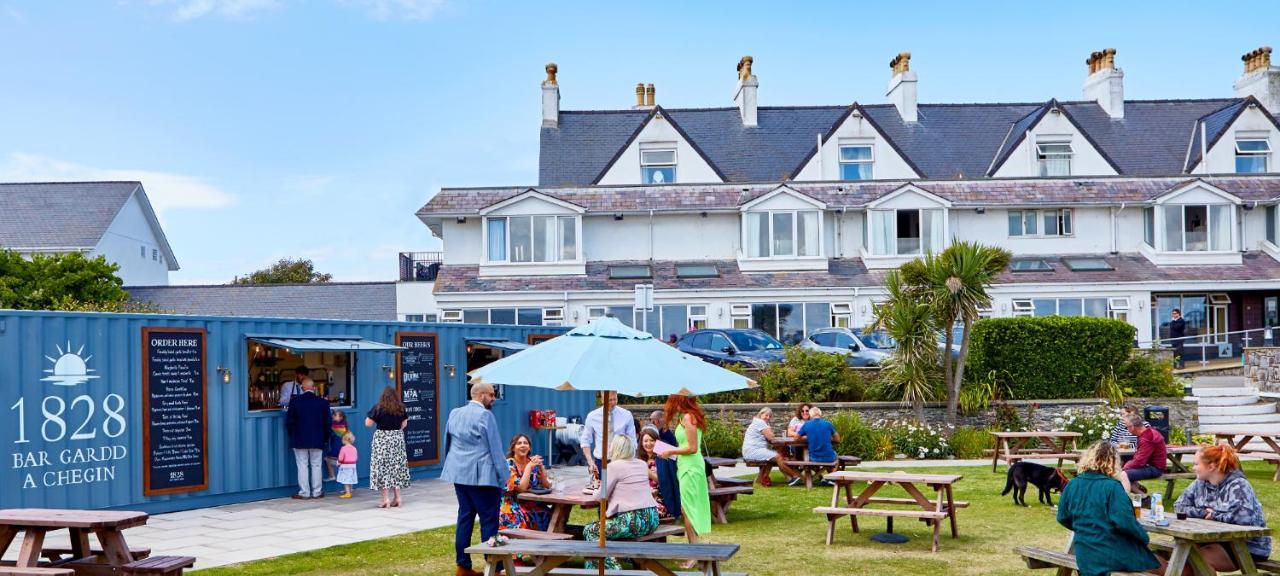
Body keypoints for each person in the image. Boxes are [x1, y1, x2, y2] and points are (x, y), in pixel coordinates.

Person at [1056, 441, 1159, 576]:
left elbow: (1063, 517)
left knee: (1161, 558)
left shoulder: (1072, 484)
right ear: (1113, 462)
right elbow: (1125, 522)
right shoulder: (1112, 487)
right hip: (1110, 552)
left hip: (1084, 551)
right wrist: (1144, 538)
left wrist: (1084, 529)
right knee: (1167, 567)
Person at [1168, 443, 1272, 572]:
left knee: (1190, 562)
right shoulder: (1199, 483)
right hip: (1212, 540)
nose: (1193, 468)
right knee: (1168, 557)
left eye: (1196, 464)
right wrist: (1203, 512)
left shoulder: (1238, 485)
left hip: (1247, 546)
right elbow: (1179, 506)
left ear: (1211, 466)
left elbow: (1242, 518)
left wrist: (1214, 515)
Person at [441, 382, 506, 576]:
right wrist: (504, 476)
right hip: (483, 477)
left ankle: (462, 567)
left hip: (459, 474)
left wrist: (451, 466)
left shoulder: (455, 413)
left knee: (465, 518)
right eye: (492, 395)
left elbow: (448, 443)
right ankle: (494, 567)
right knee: (489, 521)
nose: (494, 398)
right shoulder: (486, 415)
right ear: (481, 395)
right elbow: (495, 449)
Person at [583, 436, 662, 571]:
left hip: (632, 521)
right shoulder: (641, 464)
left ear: (615, 449)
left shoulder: (613, 466)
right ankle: (608, 563)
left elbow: (600, 496)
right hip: (652, 519)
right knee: (607, 529)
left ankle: (612, 569)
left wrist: (596, 487)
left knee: (591, 530)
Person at [657, 394, 711, 563]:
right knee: (687, 508)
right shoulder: (685, 417)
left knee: (688, 509)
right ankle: (695, 549)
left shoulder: (689, 417)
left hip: (691, 467)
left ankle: (694, 553)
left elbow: (693, 448)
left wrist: (670, 451)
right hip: (686, 465)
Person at [285, 377, 331, 499]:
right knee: (316, 465)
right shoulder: (323, 402)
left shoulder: (295, 402)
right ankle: (317, 492)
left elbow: (289, 422)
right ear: (314, 388)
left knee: (302, 465)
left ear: (302, 388)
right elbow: (328, 423)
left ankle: (304, 492)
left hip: (299, 438)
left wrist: (293, 434)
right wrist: (326, 438)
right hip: (318, 438)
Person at [579, 391, 636, 491]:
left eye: (615, 399)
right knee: (603, 494)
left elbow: (633, 441)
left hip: (621, 461)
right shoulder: (592, 416)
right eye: (610, 400)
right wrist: (591, 462)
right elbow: (585, 440)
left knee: (620, 493)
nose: (613, 402)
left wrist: (631, 461)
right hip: (601, 462)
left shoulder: (626, 415)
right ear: (602, 399)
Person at [365, 386, 411, 508]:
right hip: (397, 439)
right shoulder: (401, 408)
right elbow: (404, 424)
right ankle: (398, 498)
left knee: (383, 467)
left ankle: (386, 499)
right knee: (396, 468)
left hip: (382, 440)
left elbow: (368, 423)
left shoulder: (378, 407)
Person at [498, 434, 551, 531]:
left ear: (529, 447)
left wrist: (542, 469)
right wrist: (528, 467)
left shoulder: (531, 462)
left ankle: (547, 542)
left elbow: (546, 485)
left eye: (525, 443)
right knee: (522, 519)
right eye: (519, 443)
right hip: (511, 504)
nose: (523, 445)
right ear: (513, 448)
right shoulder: (508, 465)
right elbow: (521, 488)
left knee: (549, 514)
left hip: (531, 503)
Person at [740, 407, 799, 487]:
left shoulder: (759, 422)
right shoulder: (760, 422)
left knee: (775, 455)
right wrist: (770, 430)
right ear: (761, 414)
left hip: (751, 451)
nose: (768, 417)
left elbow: (770, 439)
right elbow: (771, 437)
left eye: (770, 416)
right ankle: (794, 477)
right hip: (753, 451)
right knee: (778, 457)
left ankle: (762, 479)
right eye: (766, 415)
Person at [796, 406, 840, 487]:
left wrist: (809, 437)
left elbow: (796, 438)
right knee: (836, 458)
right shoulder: (828, 424)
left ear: (810, 415)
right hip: (829, 458)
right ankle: (831, 478)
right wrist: (826, 437)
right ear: (820, 414)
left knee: (807, 455)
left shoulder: (807, 424)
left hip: (813, 458)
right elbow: (837, 439)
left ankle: (824, 477)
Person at [1122, 412, 1166, 492]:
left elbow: (1139, 461)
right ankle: (1138, 488)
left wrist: (1124, 468)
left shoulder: (1147, 438)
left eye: (1127, 427)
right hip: (1152, 466)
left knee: (1121, 475)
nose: (1127, 429)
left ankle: (1143, 497)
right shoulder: (1149, 432)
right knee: (1124, 473)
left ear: (1132, 427)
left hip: (1155, 469)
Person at [653, 410, 682, 520]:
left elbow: (671, 453)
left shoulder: (667, 436)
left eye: (653, 420)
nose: (652, 422)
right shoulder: (659, 433)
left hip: (668, 466)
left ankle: (673, 512)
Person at [637, 428, 668, 518]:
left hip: (659, 498)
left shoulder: (662, 459)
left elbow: (665, 481)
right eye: (645, 441)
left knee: (644, 515)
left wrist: (649, 473)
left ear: (657, 442)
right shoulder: (639, 460)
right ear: (641, 443)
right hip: (641, 498)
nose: (648, 443)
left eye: (652, 440)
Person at [325, 409, 351, 481]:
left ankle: (333, 476)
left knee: (329, 459)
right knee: (328, 460)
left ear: (341, 417)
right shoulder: (343, 424)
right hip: (337, 445)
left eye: (335, 415)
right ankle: (335, 476)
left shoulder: (338, 425)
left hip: (338, 446)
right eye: (333, 415)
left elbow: (331, 430)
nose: (333, 416)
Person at [335, 432, 358, 499]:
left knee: (345, 480)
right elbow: (356, 458)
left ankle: (347, 493)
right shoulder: (354, 448)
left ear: (345, 440)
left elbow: (340, 458)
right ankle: (350, 491)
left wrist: (338, 463)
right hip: (353, 466)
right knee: (350, 479)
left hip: (345, 466)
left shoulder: (343, 448)